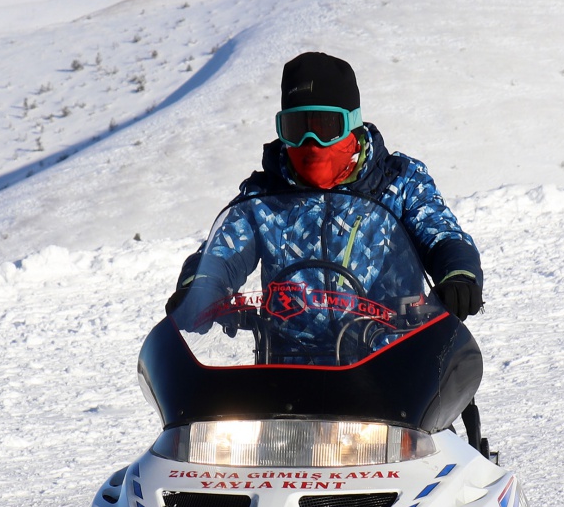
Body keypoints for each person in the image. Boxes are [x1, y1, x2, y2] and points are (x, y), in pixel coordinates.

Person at [165, 52, 484, 322]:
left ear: (352, 125)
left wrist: (458, 274)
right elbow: (221, 254)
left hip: (391, 357)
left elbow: (441, 235)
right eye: (297, 128)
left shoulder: (399, 182)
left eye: (326, 126)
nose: (311, 141)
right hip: (289, 368)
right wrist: (198, 288)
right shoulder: (265, 197)